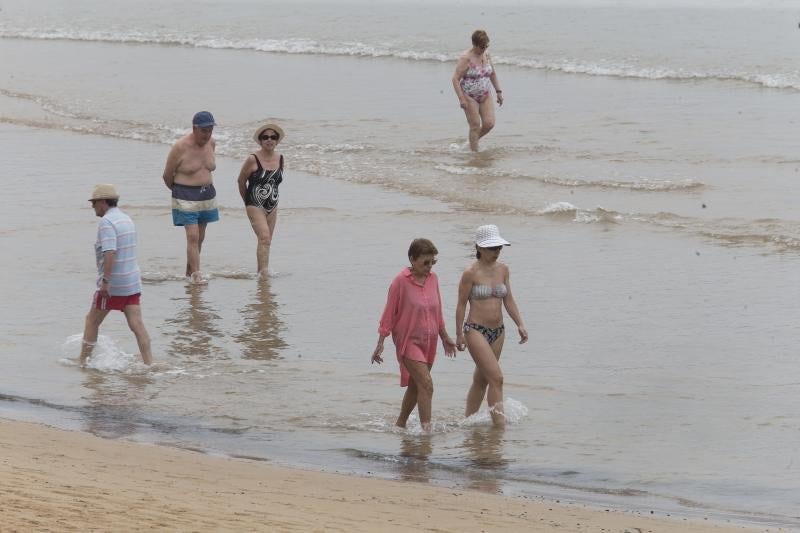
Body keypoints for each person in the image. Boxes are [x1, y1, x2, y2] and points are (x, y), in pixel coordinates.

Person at [372, 239, 457, 432]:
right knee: (426, 384)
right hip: (408, 341)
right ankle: (426, 432)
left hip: (430, 341)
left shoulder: (433, 279)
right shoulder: (400, 282)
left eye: (432, 263)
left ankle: (400, 425)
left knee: (416, 385)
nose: (429, 267)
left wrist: (444, 337)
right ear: (412, 259)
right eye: (425, 263)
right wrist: (380, 342)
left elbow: (438, 311)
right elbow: (388, 313)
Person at [455, 224, 527, 428]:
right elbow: (460, 305)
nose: (496, 251)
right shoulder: (470, 273)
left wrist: (520, 324)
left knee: (483, 379)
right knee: (497, 378)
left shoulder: (503, 269)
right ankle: (499, 429)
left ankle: (467, 423)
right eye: (491, 247)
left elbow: (509, 299)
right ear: (478, 247)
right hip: (475, 330)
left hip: (498, 331)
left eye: (498, 247)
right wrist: (459, 334)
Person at [80, 184, 152, 366]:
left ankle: (83, 361)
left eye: (94, 202)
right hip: (132, 281)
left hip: (114, 285)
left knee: (91, 321)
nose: (92, 206)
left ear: (103, 202)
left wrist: (106, 282)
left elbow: (110, 252)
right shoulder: (126, 219)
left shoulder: (107, 222)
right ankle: (149, 363)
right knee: (137, 324)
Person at [162, 111, 220, 283]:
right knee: (192, 236)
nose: (207, 134)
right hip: (185, 194)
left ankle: (189, 272)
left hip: (207, 194)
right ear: (194, 128)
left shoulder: (212, 143)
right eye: (204, 131)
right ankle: (197, 276)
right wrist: (178, 193)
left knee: (200, 238)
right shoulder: (180, 147)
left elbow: (207, 167)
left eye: (210, 130)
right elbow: (166, 175)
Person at [236, 123, 285, 277]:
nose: (269, 140)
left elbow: (275, 182)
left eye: (273, 137)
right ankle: (264, 274)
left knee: (267, 241)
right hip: (254, 204)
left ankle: (261, 271)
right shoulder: (252, 159)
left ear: (277, 140)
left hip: (273, 205)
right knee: (264, 237)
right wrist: (248, 202)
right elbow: (240, 181)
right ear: (260, 140)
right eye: (265, 137)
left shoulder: (281, 159)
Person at [451, 29, 503, 152]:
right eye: (481, 47)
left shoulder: (486, 54)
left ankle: (470, 142)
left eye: (486, 46)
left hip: (485, 94)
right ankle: (475, 155)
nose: (484, 49)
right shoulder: (466, 58)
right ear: (474, 45)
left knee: (489, 124)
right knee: (475, 126)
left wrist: (499, 92)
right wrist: (461, 98)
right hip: (469, 96)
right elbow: (455, 79)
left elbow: (492, 74)